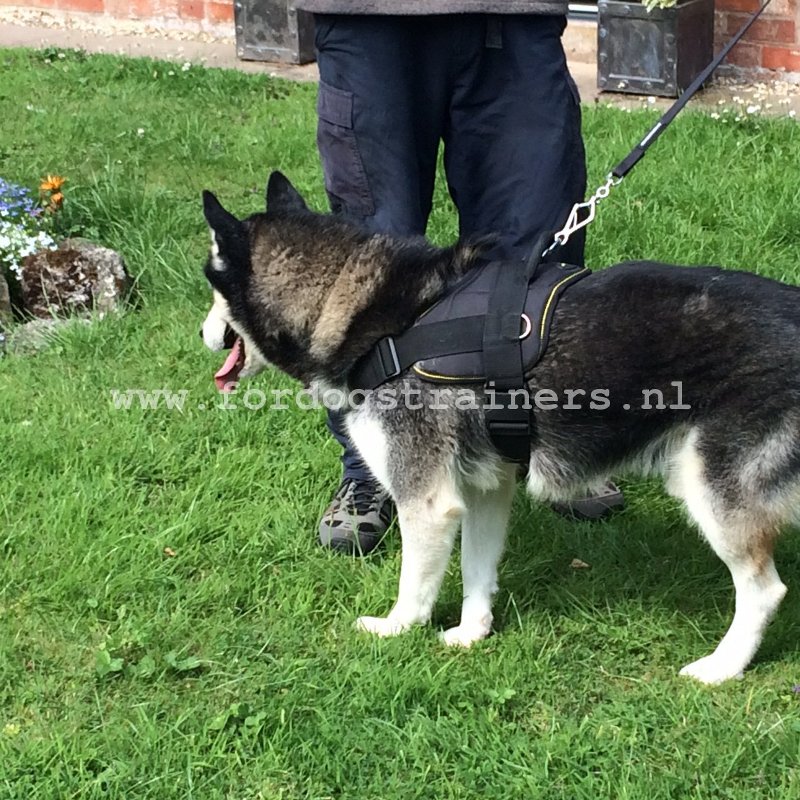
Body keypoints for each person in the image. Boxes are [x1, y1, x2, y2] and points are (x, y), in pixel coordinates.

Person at [297, 2, 624, 554]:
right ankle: (371, 469)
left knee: (540, 256)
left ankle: (552, 443)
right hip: (370, 20)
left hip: (516, 16)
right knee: (371, 269)